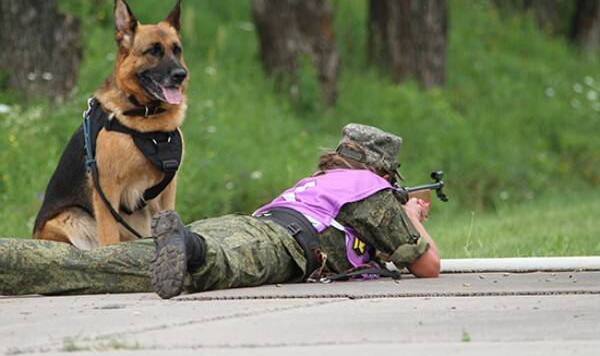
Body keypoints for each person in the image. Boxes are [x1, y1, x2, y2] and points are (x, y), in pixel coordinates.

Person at [0, 124, 440, 299]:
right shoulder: (370, 188)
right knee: (215, 265)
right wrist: (413, 219)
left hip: (244, 224)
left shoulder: (321, 181)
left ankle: (9, 259)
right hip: (273, 244)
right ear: (380, 170)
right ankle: (189, 248)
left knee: (103, 264)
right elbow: (427, 265)